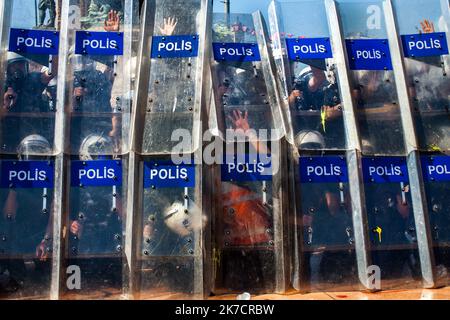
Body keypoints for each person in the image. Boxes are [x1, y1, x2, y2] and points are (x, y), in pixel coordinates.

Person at [0, 135, 53, 295]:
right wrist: (14, 185)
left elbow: (54, 212)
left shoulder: (51, 176)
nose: (34, 158)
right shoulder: (13, 176)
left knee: (44, 278)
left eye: (38, 153)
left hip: (41, 232)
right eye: (31, 153)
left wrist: (46, 240)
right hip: (18, 234)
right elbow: (9, 216)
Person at [289, 64, 343, 149]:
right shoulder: (297, 99)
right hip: (302, 137)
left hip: (332, 138)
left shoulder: (333, 94)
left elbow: (350, 100)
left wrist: (338, 109)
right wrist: (290, 101)